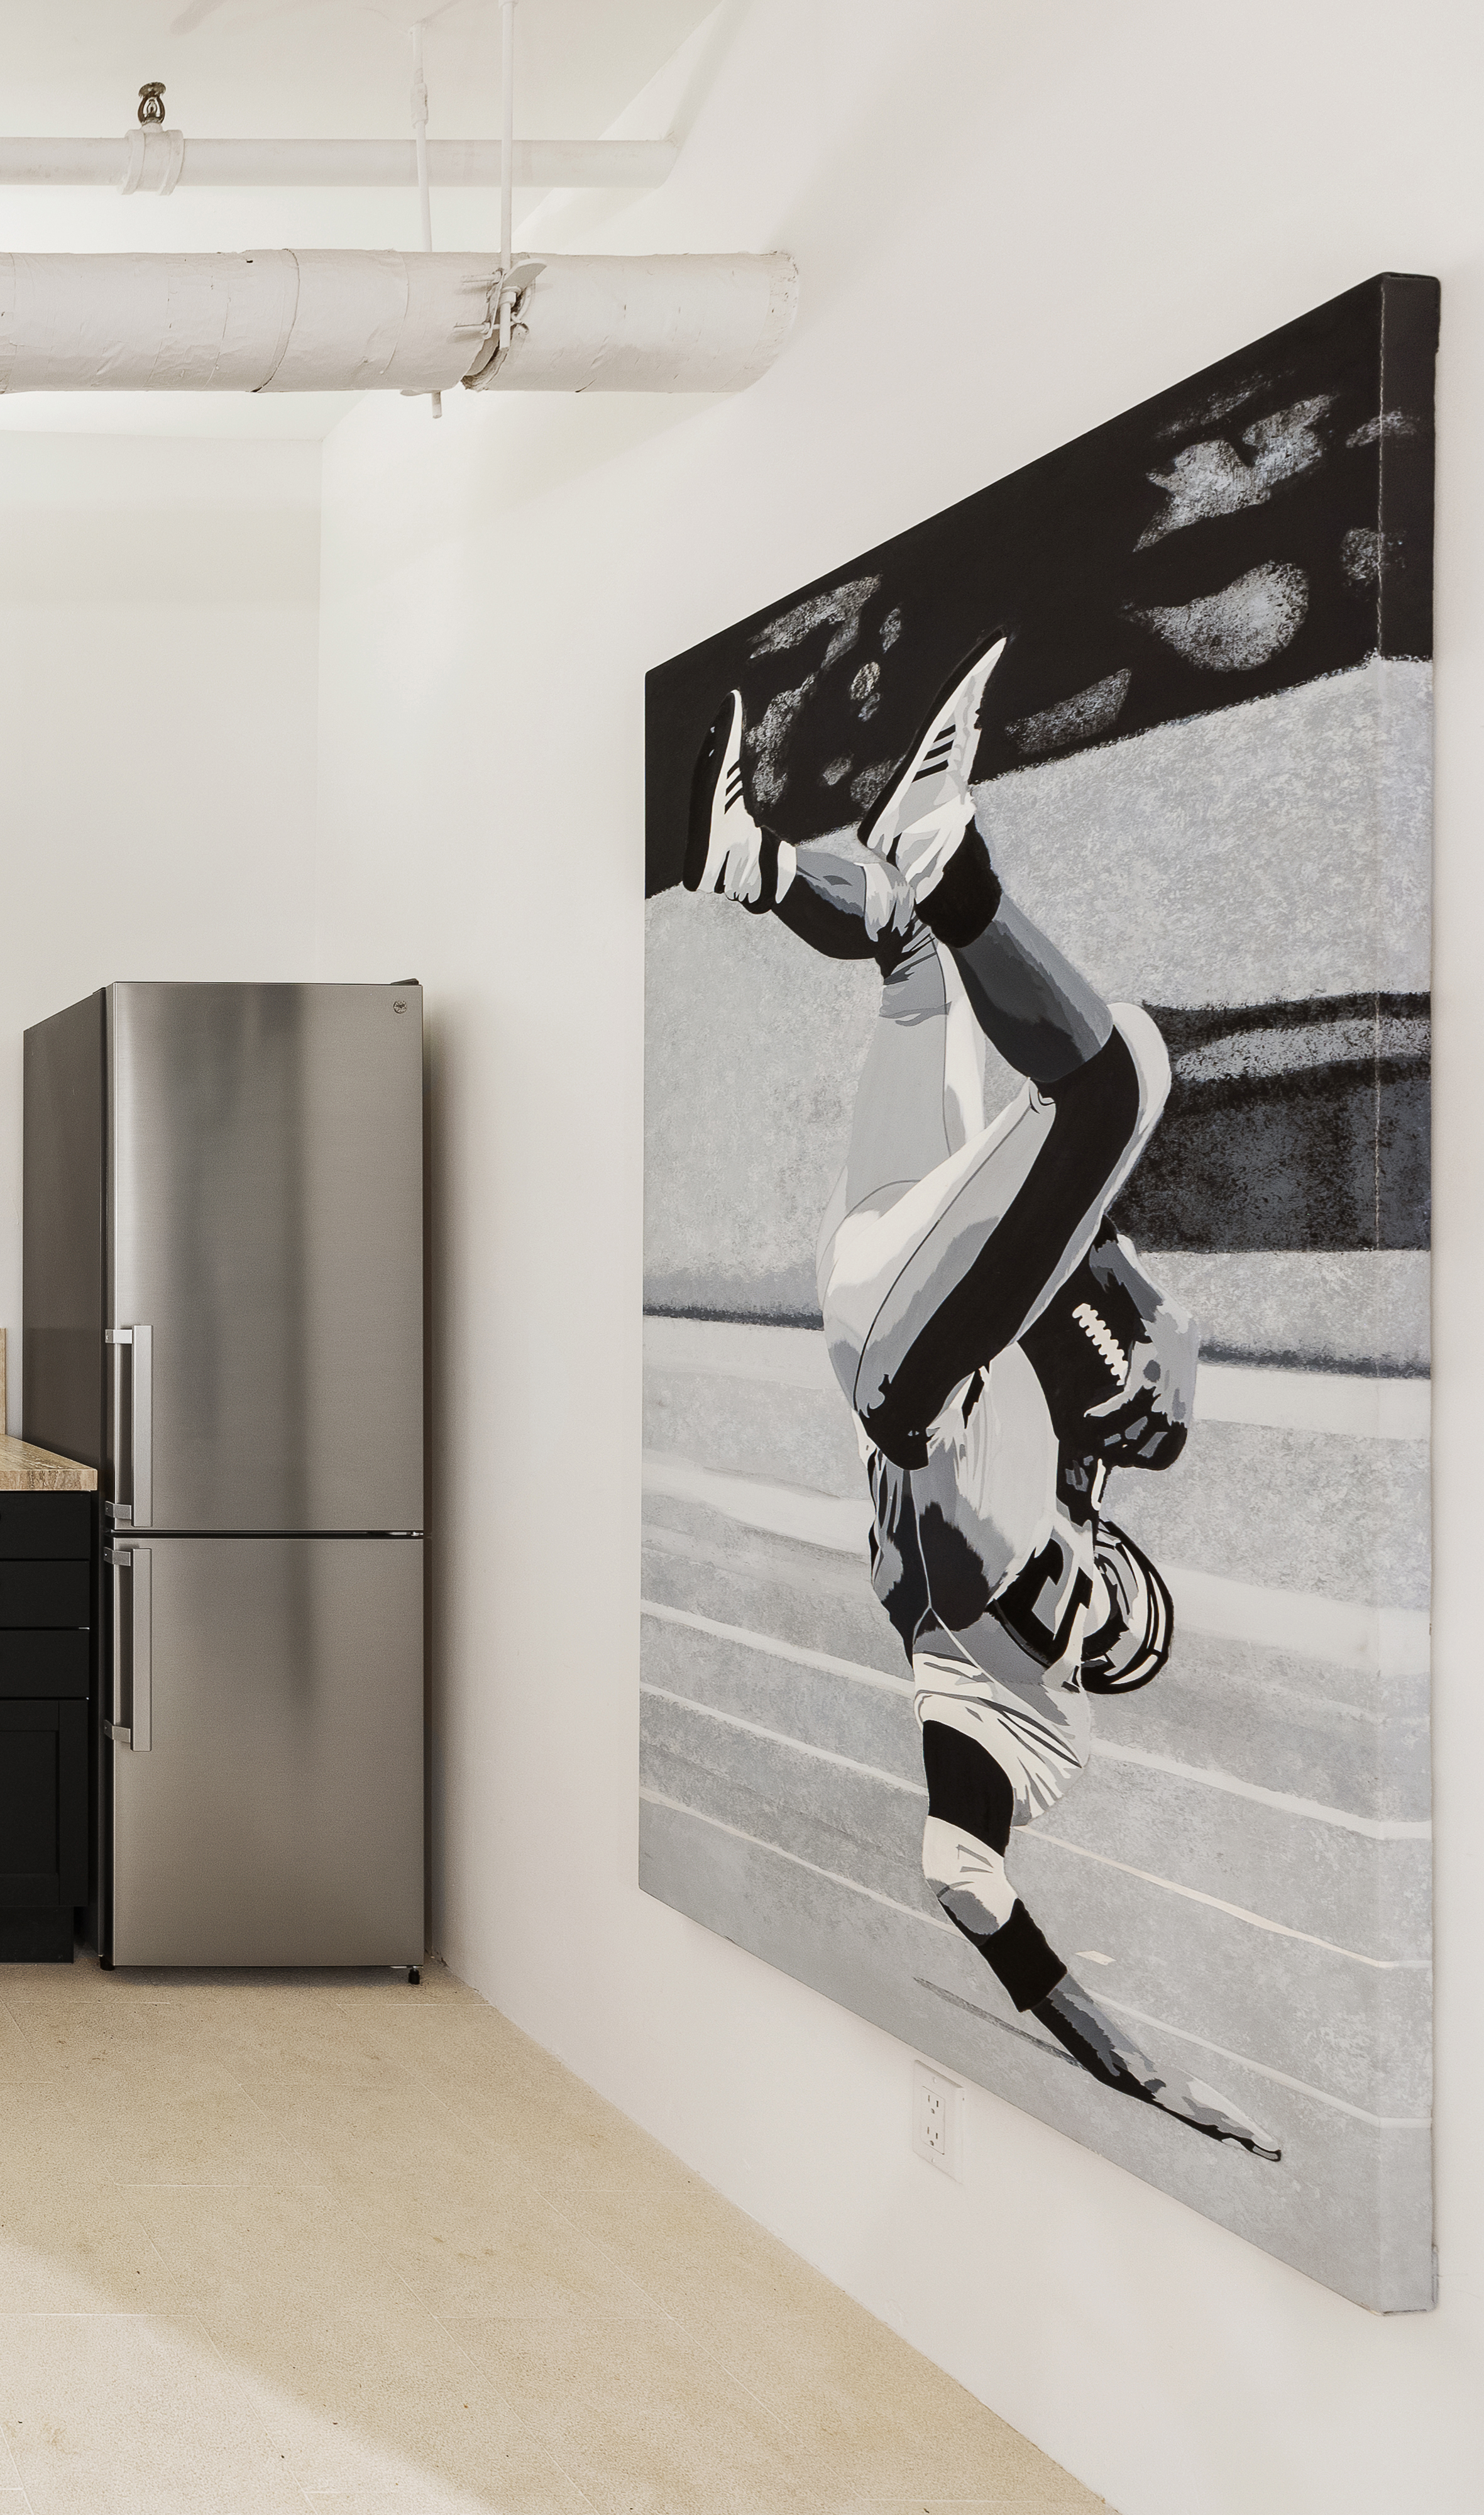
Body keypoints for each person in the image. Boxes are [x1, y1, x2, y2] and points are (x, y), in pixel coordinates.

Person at [687, 636, 1278, 2161]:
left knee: (1123, 1081)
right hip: (909, 1243)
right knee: (909, 969)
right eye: (1111, 1600)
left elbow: (967, 1873)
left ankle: (952, 866)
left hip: (903, 1349)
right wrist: (1147, 1316)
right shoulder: (1085, 1457)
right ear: (1114, 1552)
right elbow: (1092, 1279)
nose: (1085, 1609)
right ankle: (751, 862)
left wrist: (1128, 2064)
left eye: (1092, 1638)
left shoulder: (985, 1669)